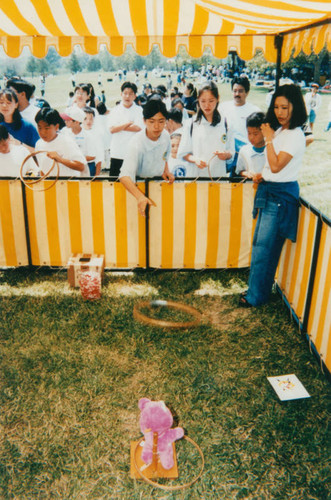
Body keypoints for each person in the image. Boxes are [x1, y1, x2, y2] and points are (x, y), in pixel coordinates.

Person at [239, 84, 307, 308]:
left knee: (265, 249)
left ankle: (256, 296)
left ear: (295, 107)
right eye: (276, 106)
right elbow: (272, 166)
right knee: (260, 246)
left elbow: (277, 166)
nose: (279, 112)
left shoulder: (294, 135)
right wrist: (262, 174)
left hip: (279, 196)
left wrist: (268, 139)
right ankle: (256, 290)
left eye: (285, 107)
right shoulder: (281, 131)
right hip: (269, 190)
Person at [119, 99, 174, 216]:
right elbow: (124, 176)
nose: (156, 126)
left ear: (166, 121)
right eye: (151, 121)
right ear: (144, 121)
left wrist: (166, 171)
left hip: (158, 187)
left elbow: (165, 157)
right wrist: (140, 197)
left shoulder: (166, 136)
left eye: (161, 121)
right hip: (137, 191)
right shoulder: (136, 143)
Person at [177, 81, 233, 179]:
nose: (207, 105)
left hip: (218, 179)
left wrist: (226, 155)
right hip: (195, 179)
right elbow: (183, 153)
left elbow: (231, 152)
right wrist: (195, 159)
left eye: (211, 101)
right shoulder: (190, 124)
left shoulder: (226, 124)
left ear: (218, 98)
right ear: (198, 100)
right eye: (203, 101)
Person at [220, 76, 260, 175]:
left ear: (247, 92)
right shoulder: (222, 108)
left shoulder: (254, 111)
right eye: (235, 91)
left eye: (241, 91)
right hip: (227, 154)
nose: (237, 94)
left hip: (246, 155)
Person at [35, 107, 87, 177]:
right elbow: (43, 169)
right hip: (50, 185)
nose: (42, 132)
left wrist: (60, 159)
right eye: (40, 128)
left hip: (68, 184)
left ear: (56, 127)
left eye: (47, 128)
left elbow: (81, 166)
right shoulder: (39, 144)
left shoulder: (66, 141)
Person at [108, 81, 144, 177]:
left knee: (133, 182)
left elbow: (138, 127)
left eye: (130, 94)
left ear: (135, 96)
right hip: (117, 153)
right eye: (125, 93)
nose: (127, 96)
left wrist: (119, 126)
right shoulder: (115, 110)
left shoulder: (139, 110)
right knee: (115, 183)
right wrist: (128, 123)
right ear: (121, 94)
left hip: (133, 153)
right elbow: (112, 129)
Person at [235, 112, 266, 182]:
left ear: (264, 132)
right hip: (249, 189)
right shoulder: (244, 150)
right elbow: (239, 170)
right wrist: (246, 173)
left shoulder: (271, 150)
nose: (251, 137)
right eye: (249, 133)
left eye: (255, 134)